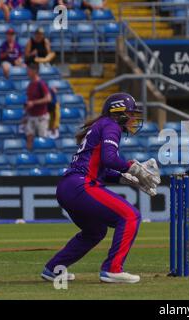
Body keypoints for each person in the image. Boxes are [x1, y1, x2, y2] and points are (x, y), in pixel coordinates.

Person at [41, 92, 161, 284]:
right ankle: (113, 269)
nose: (132, 118)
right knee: (130, 216)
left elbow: (101, 168)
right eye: (130, 113)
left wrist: (125, 179)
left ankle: (54, 269)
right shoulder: (111, 125)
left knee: (95, 232)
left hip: (69, 186)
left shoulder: (102, 125)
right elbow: (109, 158)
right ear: (118, 112)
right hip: (81, 185)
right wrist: (133, 168)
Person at [25, 62, 51, 150]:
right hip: (31, 116)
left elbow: (48, 98)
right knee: (29, 137)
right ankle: (29, 159)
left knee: (42, 140)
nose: (27, 72)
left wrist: (33, 103)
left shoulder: (41, 83)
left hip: (41, 117)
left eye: (29, 70)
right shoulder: (30, 84)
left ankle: (44, 159)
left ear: (34, 71)